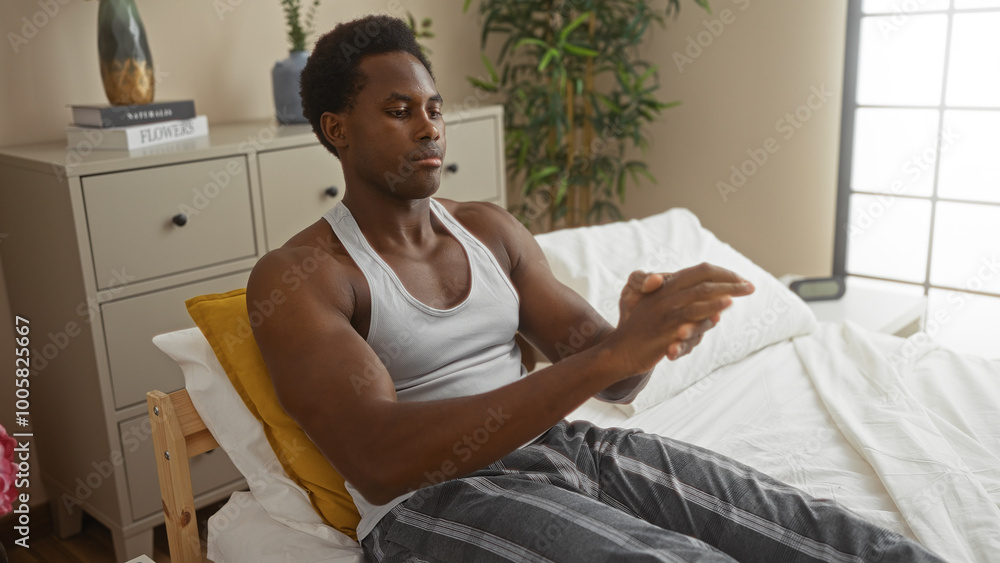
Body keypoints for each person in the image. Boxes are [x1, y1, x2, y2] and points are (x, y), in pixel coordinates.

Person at [247, 14, 945, 563]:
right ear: (337, 130)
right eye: (400, 110)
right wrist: (606, 360)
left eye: (433, 107)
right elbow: (379, 462)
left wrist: (639, 339)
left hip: (568, 447)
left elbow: (613, 384)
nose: (430, 126)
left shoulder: (489, 230)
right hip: (436, 504)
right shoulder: (303, 275)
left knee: (823, 533)